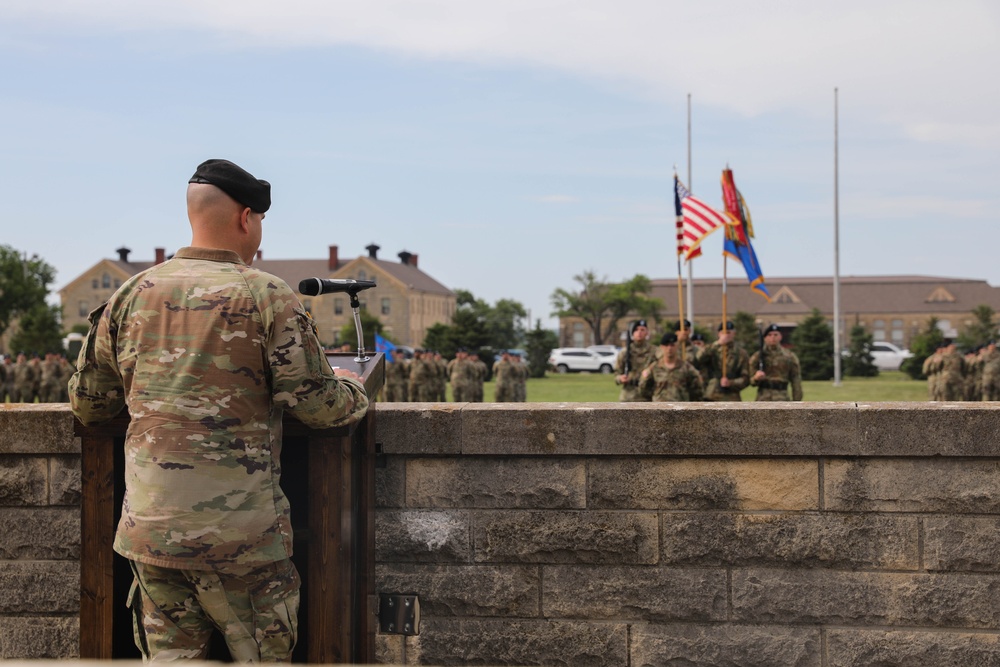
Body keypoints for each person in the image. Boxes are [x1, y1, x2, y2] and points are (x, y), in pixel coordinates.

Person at [69, 158, 369, 662]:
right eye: (261, 224)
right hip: (241, 537)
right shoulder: (268, 295)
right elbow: (321, 408)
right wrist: (353, 387)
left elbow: (90, 407)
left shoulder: (129, 294)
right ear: (246, 218)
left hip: (153, 530)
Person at [638, 332, 703, 402]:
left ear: (677, 346)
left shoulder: (687, 368)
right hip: (659, 408)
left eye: (672, 345)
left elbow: (697, 391)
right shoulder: (654, 368)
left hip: (680, 408)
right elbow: (643, 390)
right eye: (666, 345)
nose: (669, 348)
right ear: (662, 347)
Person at [697, 320, 750, 401]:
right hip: (712, 395)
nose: (726, 335)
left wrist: (731, 382)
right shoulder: (711, 349)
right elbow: (699, 358)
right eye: (723, 333)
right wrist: (718, 343)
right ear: (719, 334)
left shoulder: (741, 353)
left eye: (728, 332)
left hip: (732, 397)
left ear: (734, 334)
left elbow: (746, 379)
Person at [748, 324, 803, 401]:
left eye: (775, 335)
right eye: (769, 335)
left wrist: (797, 402)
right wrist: (756, 378)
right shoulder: (757, 357)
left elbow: (796, 380)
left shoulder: (789, 356)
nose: (772, 337)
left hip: (782, 398)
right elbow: (751, 381)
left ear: (780, 336)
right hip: (763, 398)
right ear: (765, 338)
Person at [614, 319, 657, 402]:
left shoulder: (654, 351)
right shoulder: (625, 353)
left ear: (647, 332)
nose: (639, 332)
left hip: (647, 396)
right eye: (636, 330)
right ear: (632, 333)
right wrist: (620, 378)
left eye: (642, 330)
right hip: (628, 396)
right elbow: (616, 374)